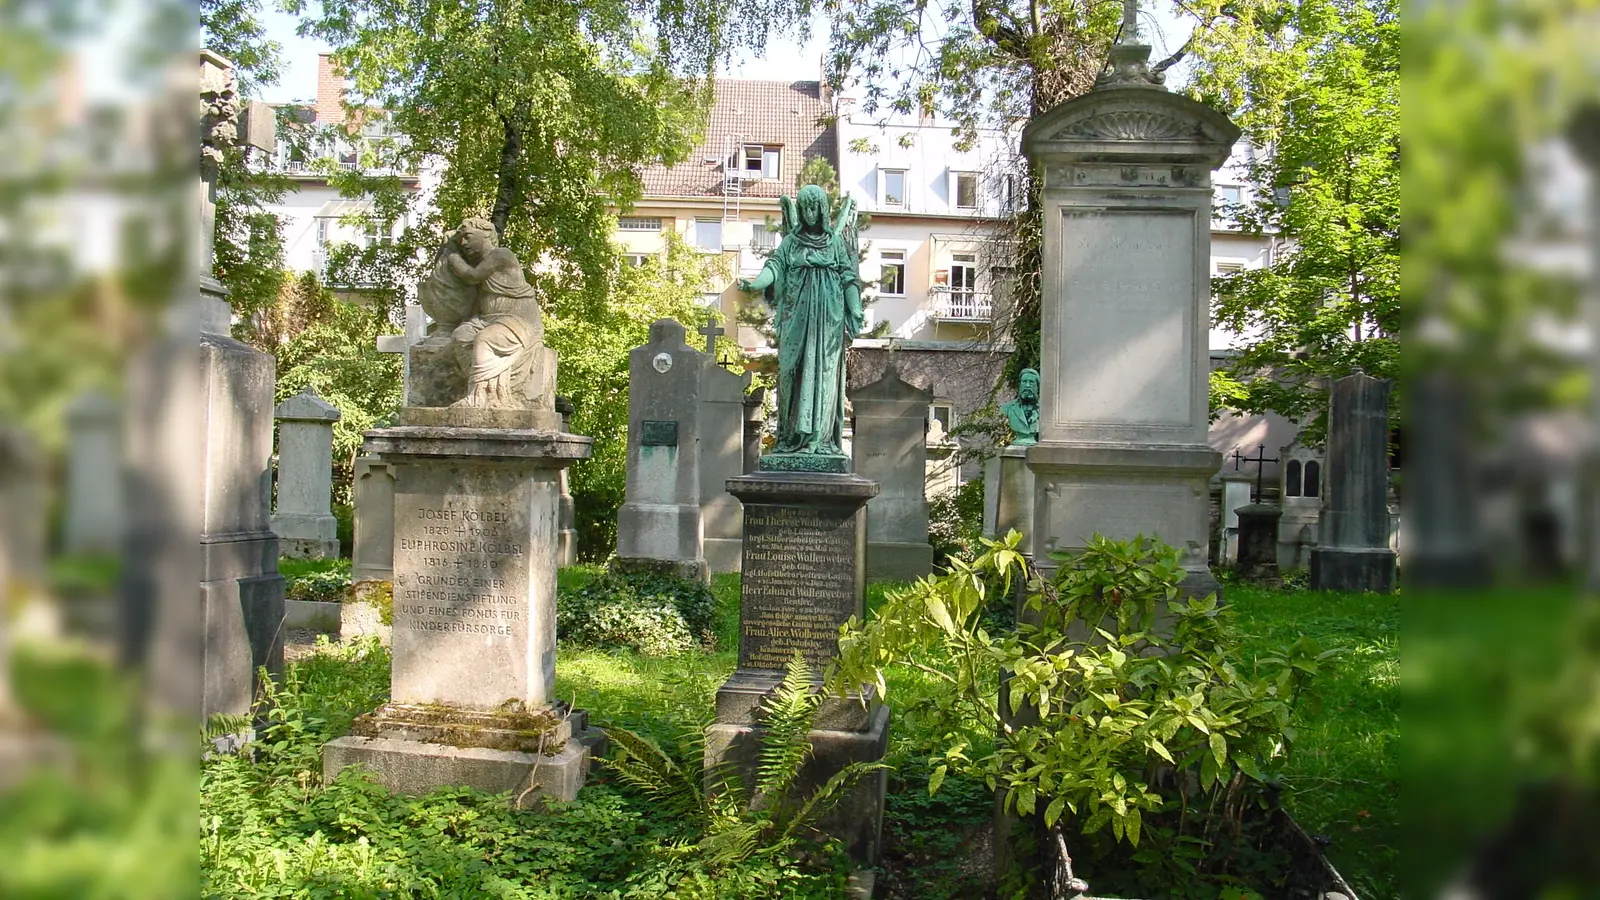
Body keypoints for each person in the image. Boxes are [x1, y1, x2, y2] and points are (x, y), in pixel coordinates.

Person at [737, 185, 863, 457]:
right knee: (790, 370)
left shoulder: (835, 243)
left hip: (828, 318)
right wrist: (755, 284)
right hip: (797, 316)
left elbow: (849, 277)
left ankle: (818, 439)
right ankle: (790, 437)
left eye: (813, 207)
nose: (808, 213)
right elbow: (774, 267)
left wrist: (855, 309)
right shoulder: (791, 243)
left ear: (822, 209)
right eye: (804, 207)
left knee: (823, 374)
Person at [441, 217, 543, 408]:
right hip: (489, 319)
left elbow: (471, 276)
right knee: (461, 335)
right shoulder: (481, 261)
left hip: (518, 319)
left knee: (485, 339)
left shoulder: (501, 255)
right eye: (461, 239)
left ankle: (478, 396)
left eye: (468, 237)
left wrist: (453, 256)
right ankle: (488, 386)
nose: (463, 243)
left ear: (487, 234)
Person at [1001, 368, 1041, 446]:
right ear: (1019, 385)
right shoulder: (1007, 408)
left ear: (1037, 387)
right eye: (1024, 382)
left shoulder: (1045, 410)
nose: (1027, 385)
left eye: (1031, 382)